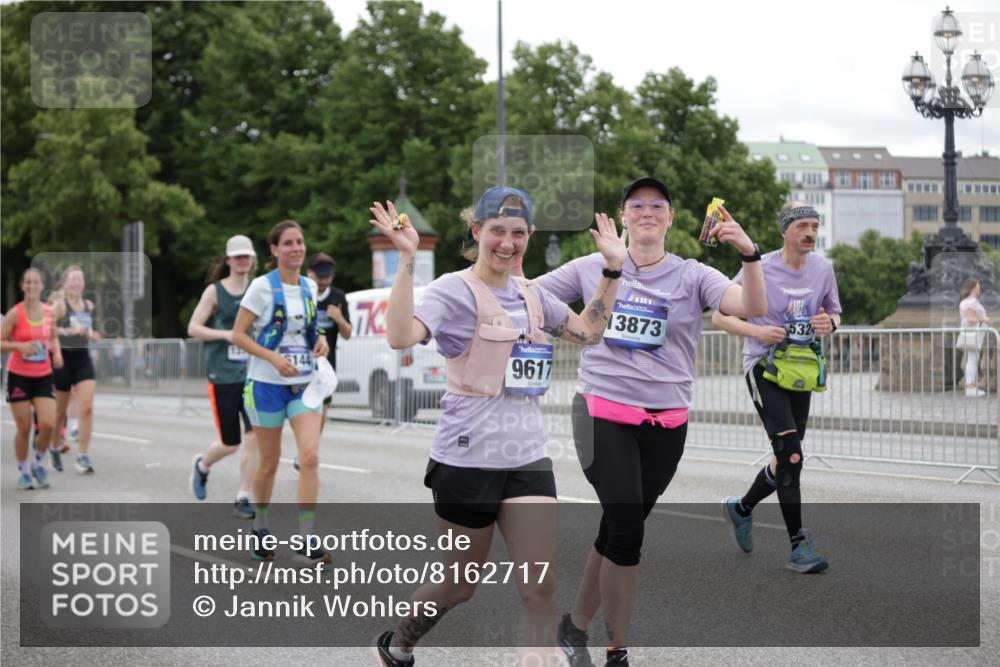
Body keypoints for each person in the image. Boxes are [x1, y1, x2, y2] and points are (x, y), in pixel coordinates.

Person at [369, 187, 626, 667]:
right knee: (459, 585)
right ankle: (398, 642)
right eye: (497, 231)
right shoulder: (452, 290)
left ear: (529, 236)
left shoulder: (534, 295)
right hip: (466, 460)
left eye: (518, 233)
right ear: (477, 231)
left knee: (539, 586)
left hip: (527, 459)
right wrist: (406, 259)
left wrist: (612, 269)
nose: (507, 243)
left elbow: (590, 332)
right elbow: (401, 335)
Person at [535, 177, 767, 667]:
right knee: (627, 531)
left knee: (618, 529)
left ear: (671, 218)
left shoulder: (692, 275)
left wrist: (749, 254)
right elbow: (526, 297)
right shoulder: (592, 267)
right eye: (636, 205)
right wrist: (567, 324)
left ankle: (573, 628)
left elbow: (753, 307)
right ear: (622, 216)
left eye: (657, 205)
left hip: (667, 422)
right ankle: (617, 650)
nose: (647, 212)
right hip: (601, 412)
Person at [713, 201, 841, 575]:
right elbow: (720, 315)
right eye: (802, 226)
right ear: (785, 230)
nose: (810, 233)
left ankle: (741, 508)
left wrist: (830, 324)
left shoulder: (823, 268)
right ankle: (799, 545)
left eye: (815, 226)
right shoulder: (761, 266)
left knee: (785, 457)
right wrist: (757, 331)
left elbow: (835, 311)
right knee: (792, 455)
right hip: (763, 368)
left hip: (800, 371)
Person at [230, 220, 331, 565]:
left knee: (310, 457)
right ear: (274, 250)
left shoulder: (309, 286)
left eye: (299, 241)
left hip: (304, 385)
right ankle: (260, 525)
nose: (296, 248)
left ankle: (306, 536)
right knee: (269, 462)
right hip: (266, 386)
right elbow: (238, 334)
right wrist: (273, 358)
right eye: (288, 243)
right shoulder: (261, 287)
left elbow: (310, 328)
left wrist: (321, 341)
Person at [188, 235, 260, 519]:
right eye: (237, 256)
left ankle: (243, 495)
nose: (242, 261)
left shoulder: (258, 289)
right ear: (229, 260)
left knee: (255, 435)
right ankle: (203, 465)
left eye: (246, 256)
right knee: (231, 443)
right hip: (223, 374)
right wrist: (227, 335)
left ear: (252, 259)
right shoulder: (215, 292)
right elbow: (194, 328)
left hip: (253, 375)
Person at [1, 268, 64, 490]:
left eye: (36, 282)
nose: (31, 286)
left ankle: (38, 462)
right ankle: (24, 470)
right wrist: (19, 346)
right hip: (18, 376)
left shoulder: (48, 313)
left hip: (43, 376)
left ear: (42, 286)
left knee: (48, 423)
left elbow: (53, 336)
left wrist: (57, 353)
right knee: (24, 427)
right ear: (22, 286)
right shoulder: (15, 314)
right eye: (28, 282)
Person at [48, 265, 100, 474]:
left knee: (86, 407)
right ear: (65, 283)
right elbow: (48, 328)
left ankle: (83, 455)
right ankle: (53, 447)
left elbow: (92, 331)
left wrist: (92, 334)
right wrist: (68, 331)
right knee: (60, 412)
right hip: (62, 360)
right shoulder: (59, 305)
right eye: (73, 279)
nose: (77, 283)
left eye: (80, 279)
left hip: (82, 360)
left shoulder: (89, 305)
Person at [959, 278, 989, 397]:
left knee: (972, 359)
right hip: (973, 334)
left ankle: (971, 385)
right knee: (972, 359)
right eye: (978, 286)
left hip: (971, 333)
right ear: (974, 288)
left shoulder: (965, 301)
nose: (979, 287)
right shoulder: (971, 302)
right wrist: (984, 319)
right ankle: (970, 387)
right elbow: (970, 318)